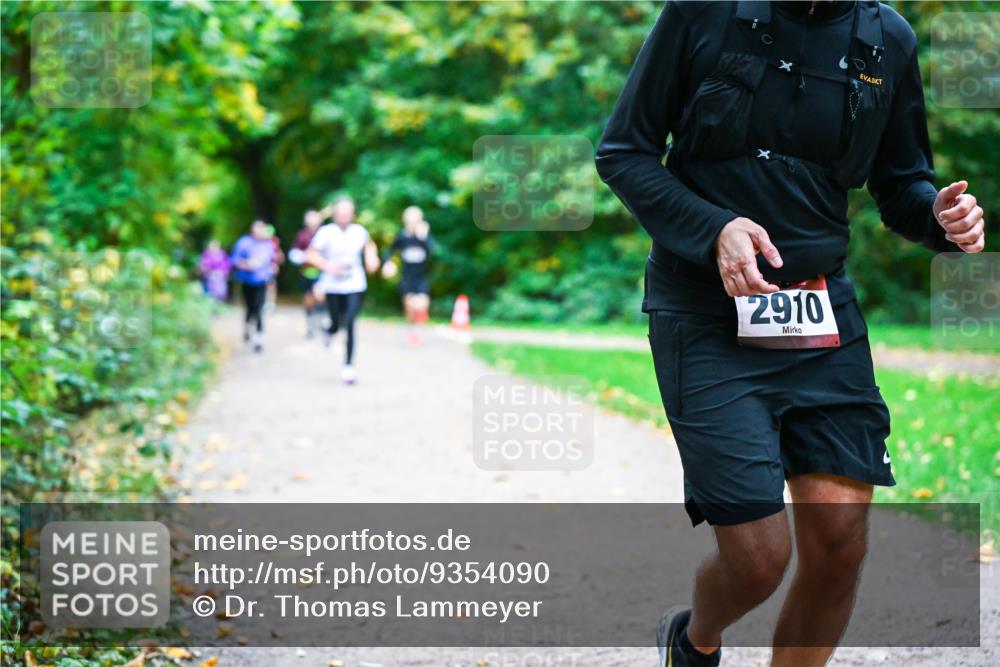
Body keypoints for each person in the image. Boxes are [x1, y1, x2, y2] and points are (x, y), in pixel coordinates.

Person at [594, 2, 986, 666]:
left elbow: (902, 183)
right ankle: (694, 639)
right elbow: (624, 153)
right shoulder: (703, 15)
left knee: (839, 541)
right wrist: (716, 229)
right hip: (704, 315)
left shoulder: (885, 39)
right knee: (757, 559)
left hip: (818, 312)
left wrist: (940, 219)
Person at [306, 196, 380, 385]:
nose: (345, 216)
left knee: (350, 321)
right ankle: (328, 329)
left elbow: (369, 246)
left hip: (355, 283)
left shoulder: (359, 231)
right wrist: (328, 266)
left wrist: (372, 259)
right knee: (337, 322)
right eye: (341, 212)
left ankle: (348, 366)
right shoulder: (326, 232)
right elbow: (311, 254)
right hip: (333, 285)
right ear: (335, 214)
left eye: (348, 212)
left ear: (353, 214)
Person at [381, 205, 435, 346]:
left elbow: (433, 252)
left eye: (415, 221)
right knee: (410, 305)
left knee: (422, 305)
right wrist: (388, 263)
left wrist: (423, 237)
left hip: (421, 276)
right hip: (407, 277)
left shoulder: (424, 236)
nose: (412, 224)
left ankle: (418, 322)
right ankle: (413, 330)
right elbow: (389, 251)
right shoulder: (402, 236)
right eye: (409, 221)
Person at [231, 220, 278, 353]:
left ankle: (259, 338)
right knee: (249, 308)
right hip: (246, 281)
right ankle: (247, 327)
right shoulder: (244, 242)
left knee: (259, 309)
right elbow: (234, 259)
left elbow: (271, 260)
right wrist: (246, 264)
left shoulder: (268, 244)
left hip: (261, 281)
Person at [290, 209, 325, 338]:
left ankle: (321, 320)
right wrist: (305, 258)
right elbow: (294, 254)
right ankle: (311, 323)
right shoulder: (302, 236)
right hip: (306, 272)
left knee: (320, 296)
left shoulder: (325, 234)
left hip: (323, 273)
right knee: (308, 299)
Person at [263, 223, 285, 313]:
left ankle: (270, 304)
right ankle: (264, 303)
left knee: (271, 285)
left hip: (270, 267)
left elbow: (279, 255)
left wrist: (276, 264)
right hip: (262, 268)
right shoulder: (260, 242)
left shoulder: (274, 242)